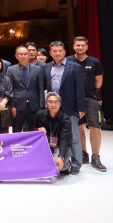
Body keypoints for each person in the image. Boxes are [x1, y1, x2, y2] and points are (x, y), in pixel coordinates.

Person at [44, 41, 85, 175]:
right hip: (52, 107)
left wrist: (80, 107)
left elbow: (80, 88)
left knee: (74, 137)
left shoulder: (75, 67)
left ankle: (76, 163)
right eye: (54, 51)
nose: (57, 53)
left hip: (69, 106)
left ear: (65, 52)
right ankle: (60, 162)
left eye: (60, 51)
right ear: (50, 53)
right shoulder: (47, 67)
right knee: (56, 136)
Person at [67, 36, 106, 171]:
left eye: (82, 45)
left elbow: (98, 82)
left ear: (87, 47)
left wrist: (89, 92)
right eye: (77, 45)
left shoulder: (94, 62)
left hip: (90, 98)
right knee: (78, 127)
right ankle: (83, 154)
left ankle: (96, 157)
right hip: (73, 99)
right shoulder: (68, 61)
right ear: (74, 46)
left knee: (95, 127)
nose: (80, 47)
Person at [7, 45, 45, 132]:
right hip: (18, 105)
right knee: (17, 131)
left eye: (25, 54)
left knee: (34, 130)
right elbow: (9, 89)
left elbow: (40, 88)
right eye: (21, 54)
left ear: (29, 55)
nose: (23, 56)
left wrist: (41, 106)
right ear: (16, 56)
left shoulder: (38, 69)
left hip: (34, 105)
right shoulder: (11, 69)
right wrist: (12, 105)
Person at [34, 92, 72, 174]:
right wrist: (37, 130)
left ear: (60, 104)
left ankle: (66, 164)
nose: (53, 104)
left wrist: (61, 157)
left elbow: (65, 140)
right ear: (46, 103)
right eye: (50, 102)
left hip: (60, 147)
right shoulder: (39, 115)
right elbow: (30, 130)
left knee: (55, 165)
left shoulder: (66, 119)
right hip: (45, 146)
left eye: (56, 102)